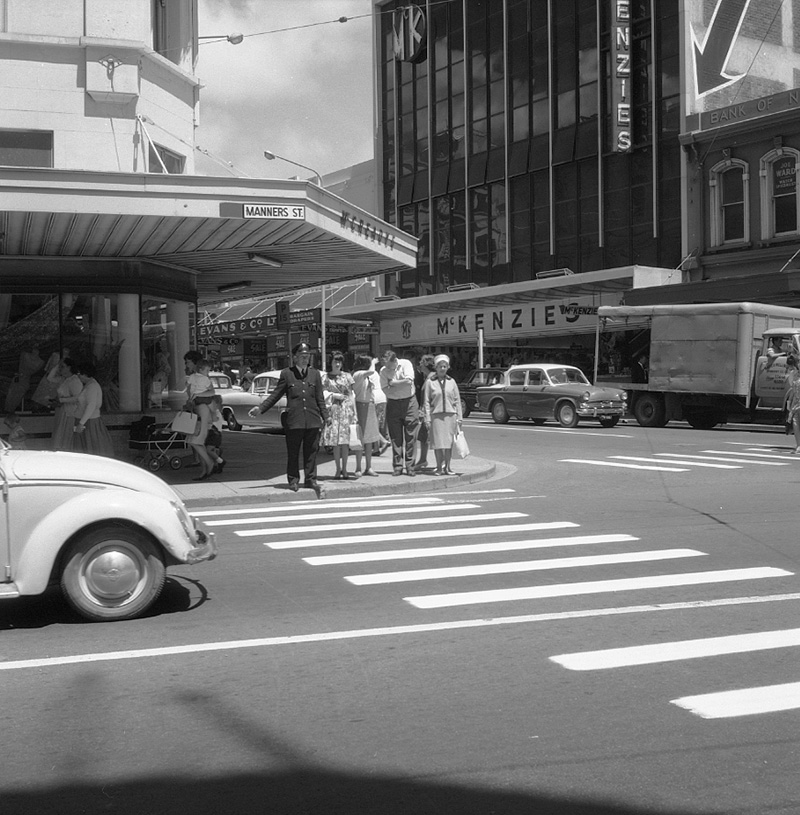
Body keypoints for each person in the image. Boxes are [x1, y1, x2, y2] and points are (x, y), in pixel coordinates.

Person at [248, 342, 330, 493]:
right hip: (295, 420)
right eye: (302, 356)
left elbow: (320, 398)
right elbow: (275, 395)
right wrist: (260, 408)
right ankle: (293, 480)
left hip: (312, 419)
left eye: (307, 356)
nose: (305, 359)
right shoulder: (287, 374)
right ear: (295, 358)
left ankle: (311, 480)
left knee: (311, 452)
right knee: (293, 452)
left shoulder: (315, 374)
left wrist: (326, 416)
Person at [380, 349, 419, 476]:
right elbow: (385, 390)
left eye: (389, 366)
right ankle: (397, 466)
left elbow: (409, 381)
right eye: (386, 366)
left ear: (395, 361)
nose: (387, 368)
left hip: (410, 402)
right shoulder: (383, 371)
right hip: (393, 404)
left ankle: (410, 466)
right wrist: (398, 386)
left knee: (411, 436)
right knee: (395, 437)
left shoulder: (406, 364)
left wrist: (393, 383)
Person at [422, 353, 463, 476]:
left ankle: (448, 467)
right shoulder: (430, 382)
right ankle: (439, 467)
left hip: (450, 415)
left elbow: (457, 400)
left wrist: (459, 417)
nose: (442, 369)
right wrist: (427, 419)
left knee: (449, 444)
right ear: (436, 367)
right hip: (436, 416)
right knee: (438, 444)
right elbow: (426, 402)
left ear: (448, 367)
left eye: (445, 366)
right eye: (440, 366)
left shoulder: (452, 382)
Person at [322, 352, 357, 479]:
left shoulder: (347, 376)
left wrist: (355, 412)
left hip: (346, 410)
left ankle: (345, 469)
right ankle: (338, 469)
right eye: (335, 361)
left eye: (339, 362)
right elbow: (322, 394)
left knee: (345, 442)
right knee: (335, 442)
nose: (337, 364)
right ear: (330, 362)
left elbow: (351, 394)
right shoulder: (326, 378)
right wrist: (333, 396)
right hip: (334, 410)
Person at [73, 360, 114, 457]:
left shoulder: (92, 386)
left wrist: (81, 423)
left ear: (85, 373)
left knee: (91, 448)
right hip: (85, 421)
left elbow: (91, 405)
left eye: (79, 373)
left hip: (89, 422)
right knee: (84, 447)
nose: (78, 376)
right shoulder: (88, 385)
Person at [184, 358, 216, 480]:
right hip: (198, 408)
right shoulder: (200, 378)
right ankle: (207, 467)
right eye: (207, 370)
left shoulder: (194, 377)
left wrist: (195, 395)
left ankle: (210, 464)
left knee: (196, 441)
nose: (208, 372)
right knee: (197, 441)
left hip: (201, 409)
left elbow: (211, 392)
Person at [352, 354, 381, 477]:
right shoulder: (358, 374)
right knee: (360, 439)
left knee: (369, 439)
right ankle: (358, 467)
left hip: (369, 405)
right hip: (360, 406)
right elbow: (371, 371)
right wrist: (373, 362)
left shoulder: (366, 377)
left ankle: (368, 466)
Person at [51, 357, 83, 451]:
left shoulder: (75, 380)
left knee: (67, 436)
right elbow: (50, 378)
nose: (61, 368)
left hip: (70, 412)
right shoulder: (64, 379)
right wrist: (58, 365)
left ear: (69, 367)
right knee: (60, 435)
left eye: (63, 366)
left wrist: (61, 400)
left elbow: (78, 398)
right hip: (62, 411)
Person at [414, 353, 436, 471]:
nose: (419, 365)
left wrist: (424, 411)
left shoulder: (431, 378)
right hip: (427, 411)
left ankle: (438, 462)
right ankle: (423, 459)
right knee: (423, 437)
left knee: (430, 437)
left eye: (421, 363)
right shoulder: (428, 377)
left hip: (430, 412)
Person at [207, 394, 226, 475]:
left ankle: (220, 461)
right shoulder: (217, 412)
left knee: (209, 450)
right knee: (213, 450)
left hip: (214, 434)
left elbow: (211, 423)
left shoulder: (216, 413)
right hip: (216, 434)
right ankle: (216, 465)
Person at [786, 355, 800, 454]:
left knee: (796, 421)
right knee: (795, 422)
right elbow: (792, 390)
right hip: (796, 401)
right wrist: (789, 402)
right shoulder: (793, 374)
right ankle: (798, 445)